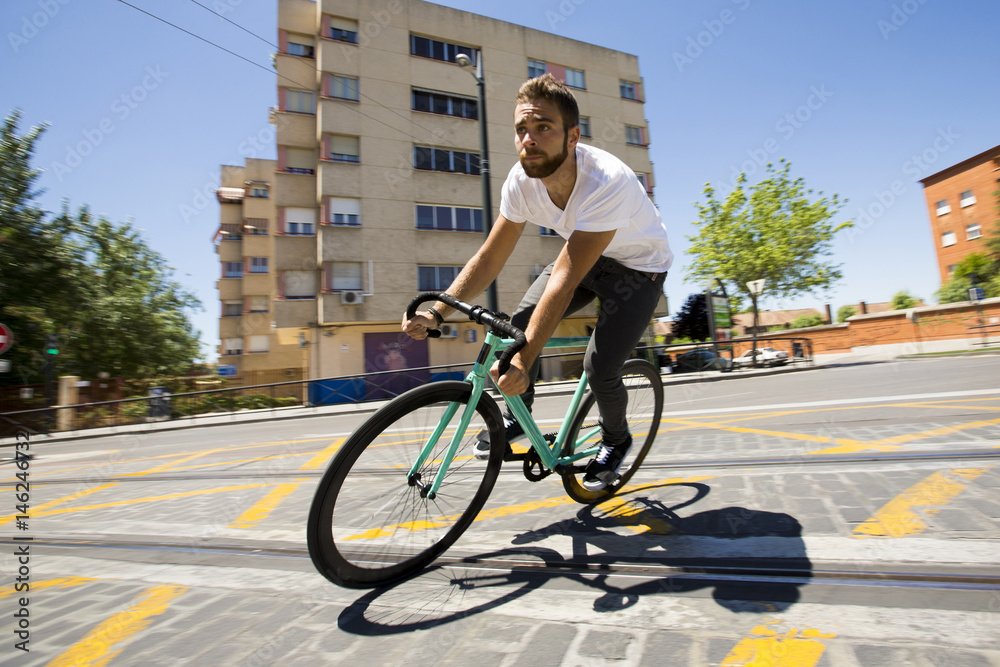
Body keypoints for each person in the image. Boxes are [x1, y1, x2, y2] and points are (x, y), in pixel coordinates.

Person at [402, 74, 672, 490]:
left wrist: (526, 363)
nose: (529, 138)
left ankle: (617, 439)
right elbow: (491, 255)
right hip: (588, 257)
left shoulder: (607, 181)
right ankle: (517, 414)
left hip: (639, 269)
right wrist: (438, 310)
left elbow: (564, 277)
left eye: (543, 127)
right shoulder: (520, 181)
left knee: (599, 368)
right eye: (521, 129)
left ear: (572, 137)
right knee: (516, 328)